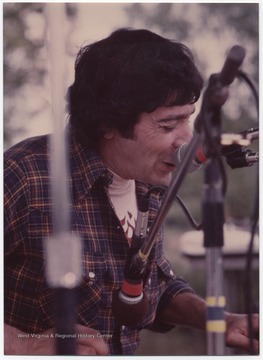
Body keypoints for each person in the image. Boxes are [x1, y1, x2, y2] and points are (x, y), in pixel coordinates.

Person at [4, 28, 259, 355]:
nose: (186, 139)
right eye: (167, 126)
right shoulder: (22, 176)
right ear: (107, 124)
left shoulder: (149, 179)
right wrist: (26, 345)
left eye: (188, 120)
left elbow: (150, 289)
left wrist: (220, 320)